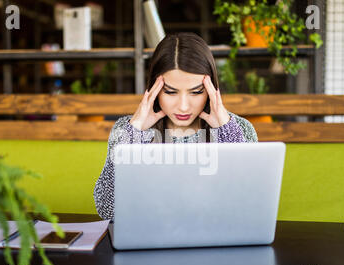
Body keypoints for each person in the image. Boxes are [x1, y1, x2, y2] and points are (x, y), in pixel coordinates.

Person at [93, 32, 258, 221]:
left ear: (211, 89)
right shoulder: (128, 130)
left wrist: (227, 133)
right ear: (153, 89)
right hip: (150, 242)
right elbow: (107, 209)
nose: (183, 106)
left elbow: (248, 206)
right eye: (170, 92)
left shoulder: (239, 130)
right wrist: (133, 133)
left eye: (196, 92)